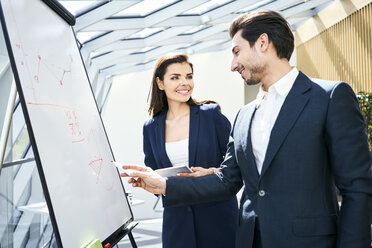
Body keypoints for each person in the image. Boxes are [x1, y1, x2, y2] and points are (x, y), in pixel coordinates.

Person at [121, 10, 372, 248]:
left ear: (263, 42)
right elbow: (227, 180)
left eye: (237, 51)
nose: (233, 64)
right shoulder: (244, 115)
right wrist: (163, 185)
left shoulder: (329, 97)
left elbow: (357, 188)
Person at [140, 53, 238, 248]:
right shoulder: (151, 127)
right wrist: (147, 181)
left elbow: (236, 165)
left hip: (217, 218)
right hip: (177, 223)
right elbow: (154, 172)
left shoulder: (211, 115)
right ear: (160, 83)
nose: (185, 83)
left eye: (189, 76)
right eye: (175, 77)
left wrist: (210, 172)